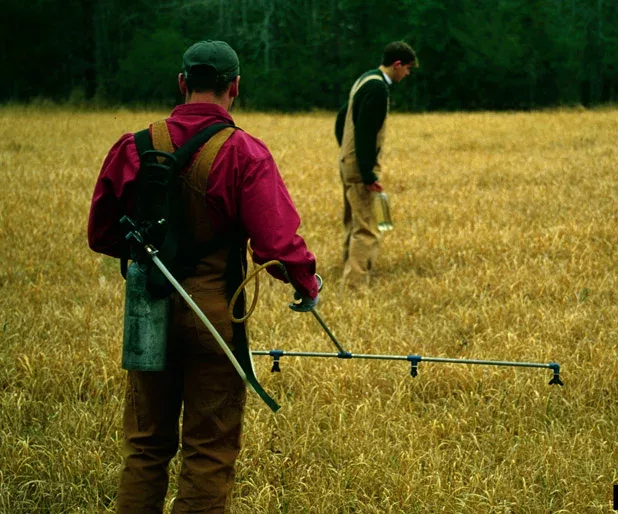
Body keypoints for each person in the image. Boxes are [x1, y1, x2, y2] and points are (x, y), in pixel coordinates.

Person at [88, 40, 319, 513]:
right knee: (208, 451)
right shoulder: (244, 153)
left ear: (181, 83)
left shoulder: (133, 146)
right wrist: (307, 286)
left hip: (147, 306)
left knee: (145, 448)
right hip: (212, 313)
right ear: (235, 87)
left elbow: (101, 234)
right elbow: (276, 247)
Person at [335, 41, 417, 289]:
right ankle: (354, 285)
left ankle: (347, 269)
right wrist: (369, 173)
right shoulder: (378, 89)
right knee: (367, 227)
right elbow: (366, 134)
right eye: (407, 69)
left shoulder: (365, 79)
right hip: (360, 167)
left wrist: (345, 151)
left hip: (347, 162)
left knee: (353, 221)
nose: (407, 74)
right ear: (397, 64)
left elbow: (342, 117)